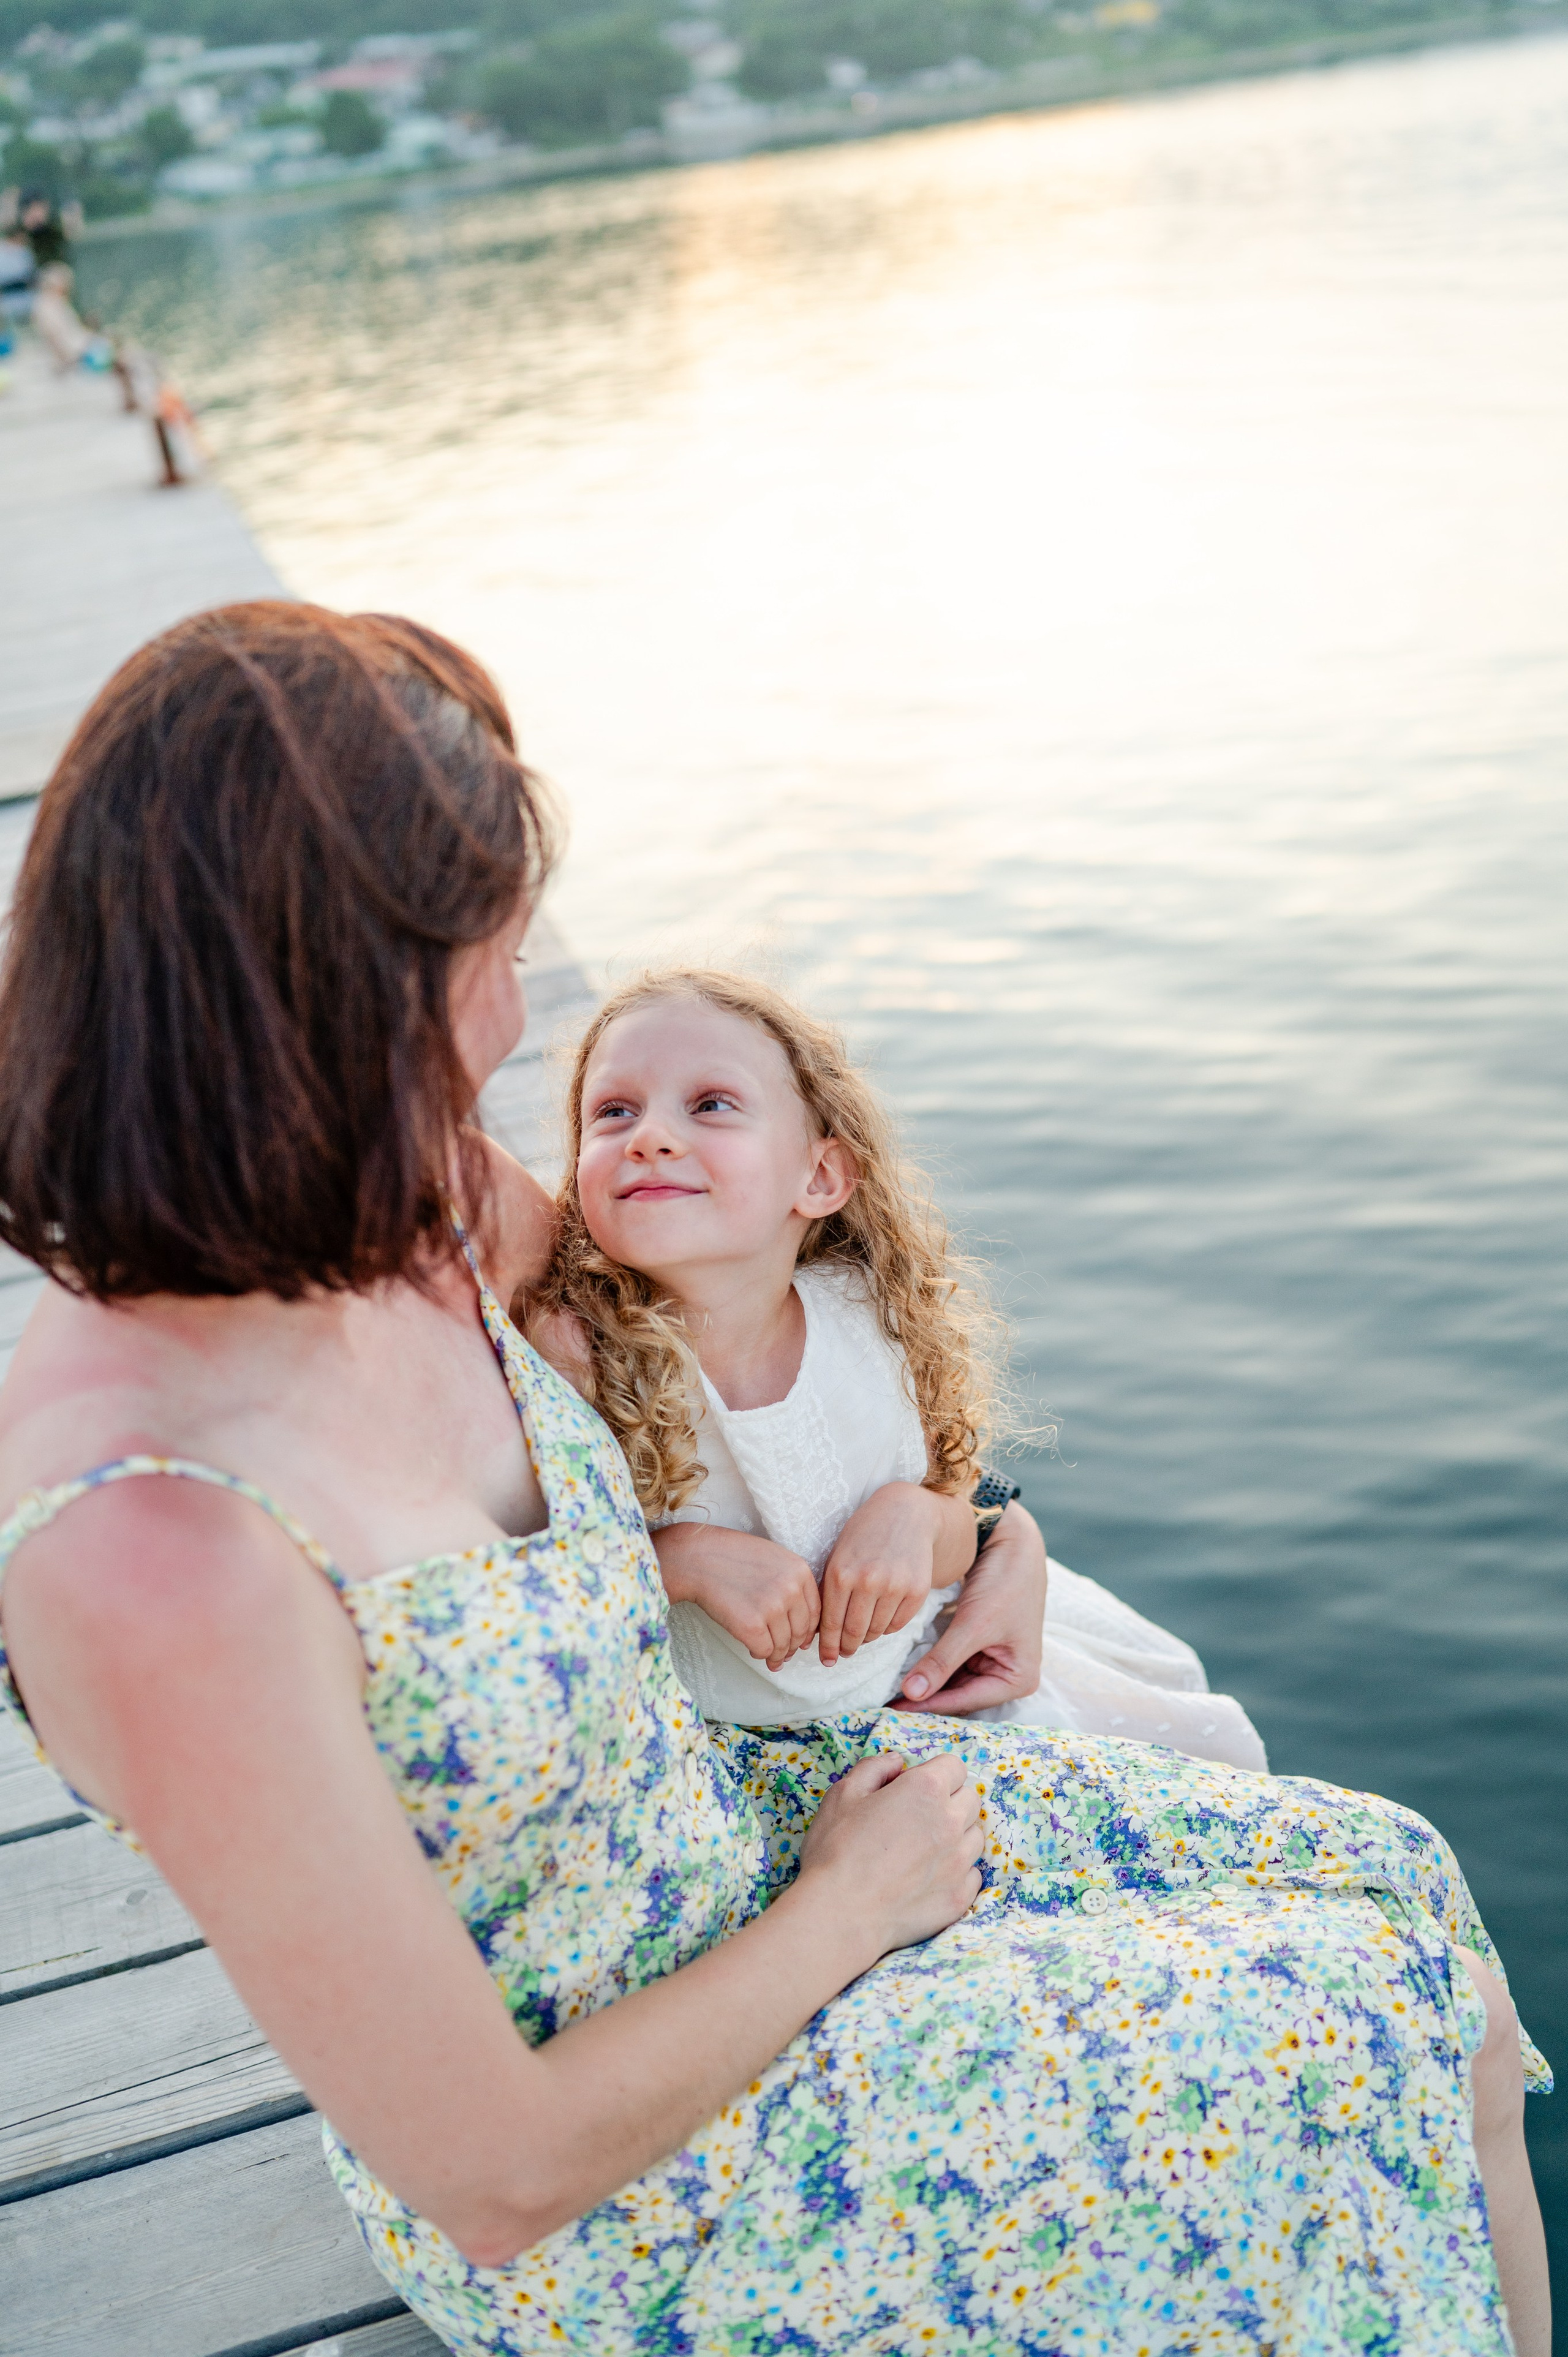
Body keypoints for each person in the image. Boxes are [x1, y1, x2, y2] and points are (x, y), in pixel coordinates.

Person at [0, 603, 1548, 2357]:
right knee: (1359, 2018)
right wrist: (854, 1910)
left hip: (749, 1835)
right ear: (324, 989)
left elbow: (765, 1337)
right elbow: (493, 2171)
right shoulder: (147, 1538)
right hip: (648, 2178)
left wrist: (984, 1526)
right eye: (485, 959)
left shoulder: (412, 1219)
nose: (518, 1013)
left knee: (1407, 1892)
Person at [530, 967, 1268, 1769]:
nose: (650, 1136)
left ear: (819, 1178)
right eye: (612, 1112)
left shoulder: (865, 1317)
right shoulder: (574, 1353)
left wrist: (917, 1519)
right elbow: (526, 1576)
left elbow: (957, 1531)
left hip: (930, 1702)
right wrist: (682, 1562)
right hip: (721, 1756)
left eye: (711, 1105)